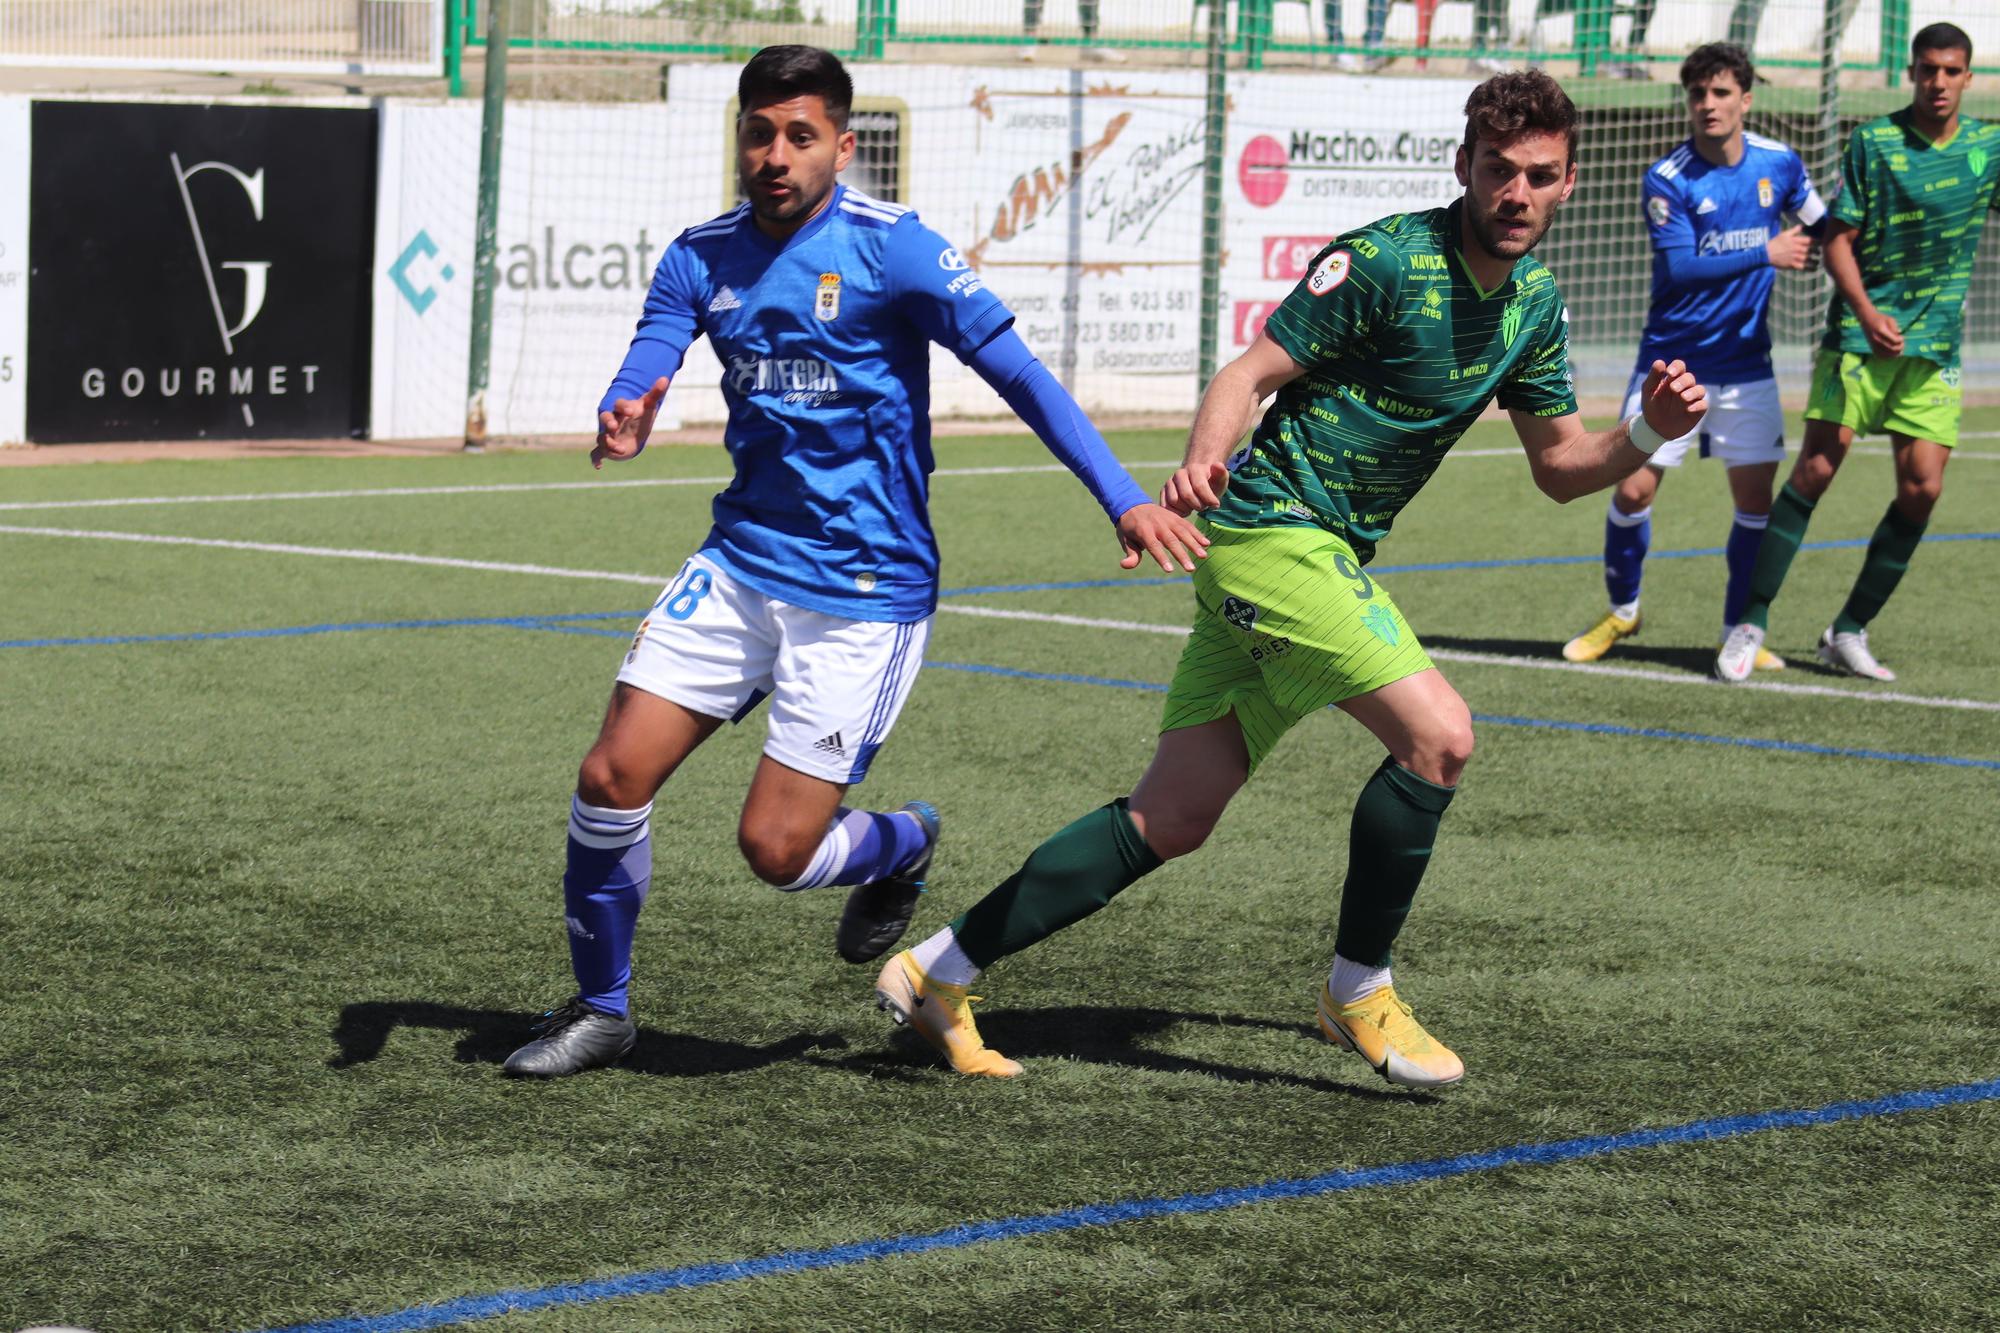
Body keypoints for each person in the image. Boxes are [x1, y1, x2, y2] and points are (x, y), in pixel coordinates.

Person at [871, 71, 1708, 1087]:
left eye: (1537, 177)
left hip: (1305, 559)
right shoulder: (1386, 258)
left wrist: (1646, 436)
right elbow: (1245, 376)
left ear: (1568, 184)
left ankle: (936, 971)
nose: (1514, 194)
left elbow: (1561, 469)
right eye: (1497, 171)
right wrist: (1200, 458)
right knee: (1439, 738)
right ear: (1463, 168)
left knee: (1170, 817)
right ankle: (1357, 992)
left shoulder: (1533, 306)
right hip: (1272, 535)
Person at [504, 45, 1206, 1078]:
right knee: (610, 775)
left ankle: (900, 844)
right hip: (740, 562)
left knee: (776, 854)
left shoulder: (896, 250)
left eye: (798, 135)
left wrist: (1125, 497)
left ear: (842, 143)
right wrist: (631, 402)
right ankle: (602, 1009)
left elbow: (1023, 379)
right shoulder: (701, 254)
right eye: (757, 133)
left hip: (862, 595)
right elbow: (653, 348)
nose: (774, 155)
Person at [1717, 23, 2000, 684]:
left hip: (1934, 350)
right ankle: (1750, 621)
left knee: (1924, 488)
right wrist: (1869, 314)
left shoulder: (1990, 145)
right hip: (1859, 337)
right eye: (1928, 69)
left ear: (1969, 75)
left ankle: (1846, 631)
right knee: (1816, 470)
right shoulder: (1874, 141)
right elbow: (1837, 240)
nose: (1938, 83)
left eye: (1952, 71)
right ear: (1911, 70)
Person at [1563, 43, 1822, 669]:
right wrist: (1767, 250)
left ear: (1746, 99)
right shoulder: (1668, 177)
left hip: (1747, 366)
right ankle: (1624, 612)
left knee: (1755, 502)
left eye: (1721, 92)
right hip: (1671, 365)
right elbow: (1680, 267)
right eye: (1698, 94)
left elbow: (1825, 224)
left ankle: (1739, 630)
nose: (1708, 104)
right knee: (1631, 491)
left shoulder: (1780, 164)